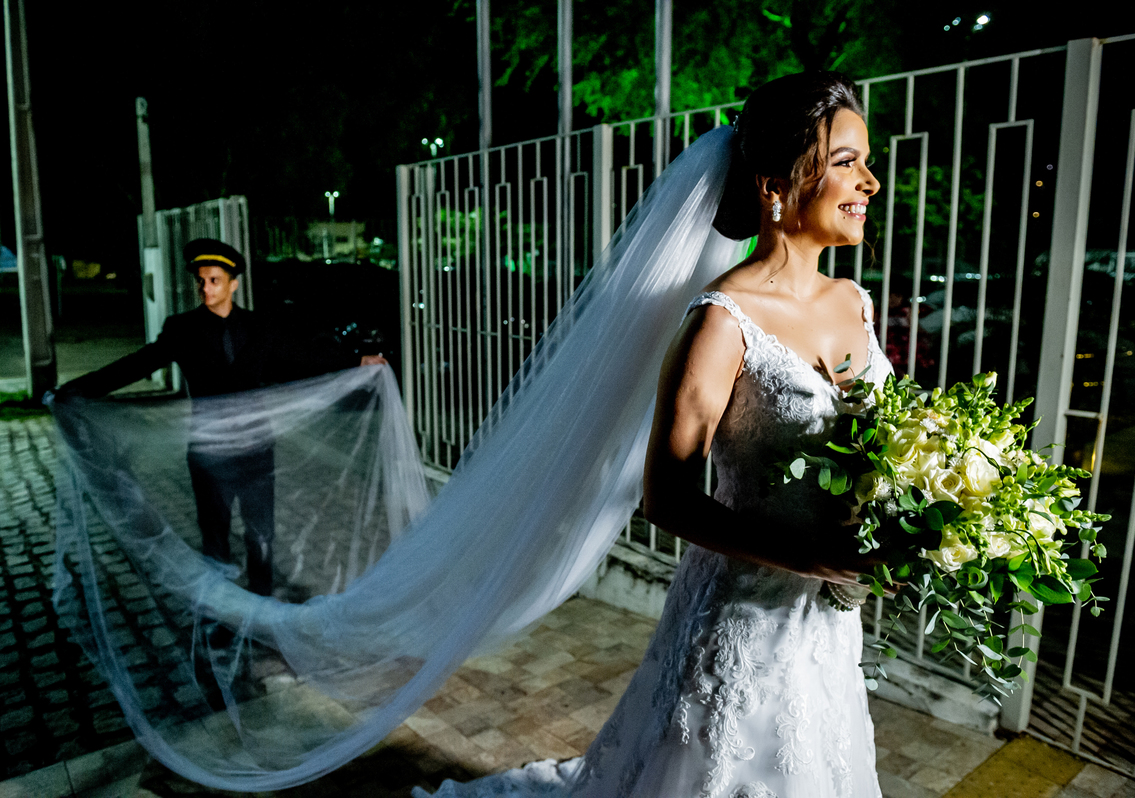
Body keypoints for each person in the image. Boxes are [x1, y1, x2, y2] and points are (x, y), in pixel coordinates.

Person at [424, 72, 888, 798]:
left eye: (865, 160)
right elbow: (666, 499)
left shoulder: (854, 303)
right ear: (775, 182)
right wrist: (808, 555)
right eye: (846, 162)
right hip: (741, 623)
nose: (871, 181)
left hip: (826, 625)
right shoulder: (723, 321)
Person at [55, 238, 386, 596]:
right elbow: (138, 364)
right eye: (201, 281)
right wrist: (79, 389)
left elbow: (304, 354)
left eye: (214, 280)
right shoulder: (182, 329)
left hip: (256, 449)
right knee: (215, 539)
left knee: (261, 536)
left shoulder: (260, 327)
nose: (205, 288)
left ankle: (262, 607)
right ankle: (223, 610)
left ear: (233, 284)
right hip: (210, 455)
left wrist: (357, 362)